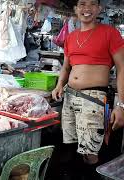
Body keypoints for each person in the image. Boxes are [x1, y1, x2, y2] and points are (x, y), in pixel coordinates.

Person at [52, 0, 124, 179]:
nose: (87, 9)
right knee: (70, 146)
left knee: (90, 151)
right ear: (76, 9)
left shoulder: (110, 33)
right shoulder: (71, 37)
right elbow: (66, 67)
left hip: (93, 99)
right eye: (82, 4)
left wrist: (121, 105)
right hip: (69, 97)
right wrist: (60, 84)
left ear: (99, 9)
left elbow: (122, 68)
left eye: (92, 4)